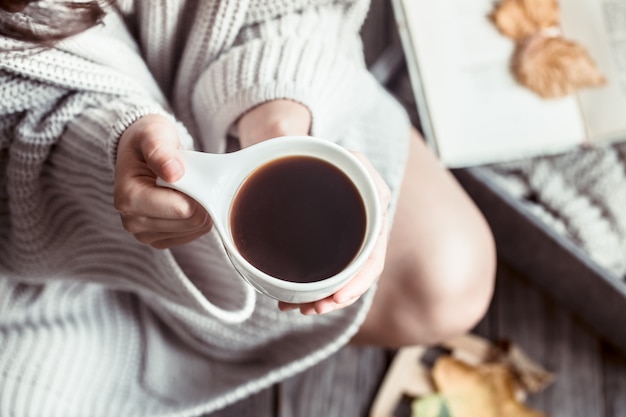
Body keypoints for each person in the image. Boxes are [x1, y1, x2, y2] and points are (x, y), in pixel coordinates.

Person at [0, 0, 496, 415]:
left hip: (256, 86)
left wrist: (278, 122)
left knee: (449, 280)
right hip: (53, 258)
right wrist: (110, 152)